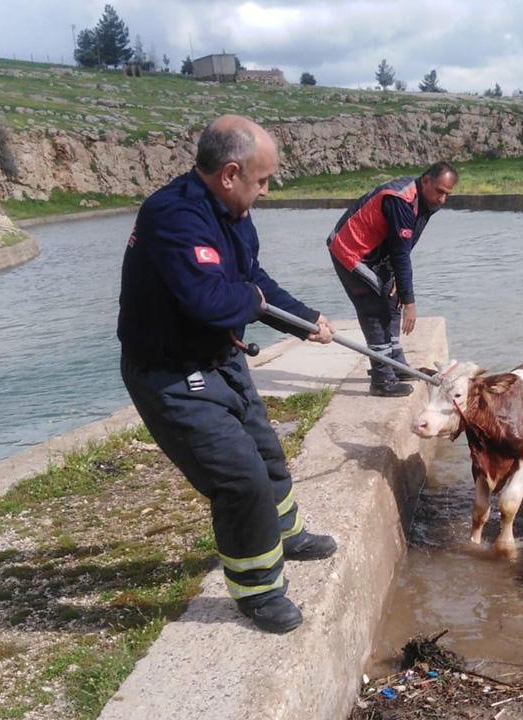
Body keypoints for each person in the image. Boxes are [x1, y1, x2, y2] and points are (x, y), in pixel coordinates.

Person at [118, 115, 338, 634]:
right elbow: (211, 301)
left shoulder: (233, 215)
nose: (266, 190)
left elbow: (251, 280)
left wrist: (304, 320)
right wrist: (255, 301)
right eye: (262, 180)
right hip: (170, 374)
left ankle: (287, 533)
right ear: (231, 173)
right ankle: (258, 590)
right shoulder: (172, 216)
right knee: (241, 480)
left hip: (220, 360)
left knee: (266, 453)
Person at [327, 162, 458, 397]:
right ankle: (381, 379)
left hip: (376, 253)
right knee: (375, 308)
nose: (442, 199)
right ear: (426, 180)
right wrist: (411, 302)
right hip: (352, 251)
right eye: (439, 191)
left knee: (393, 298)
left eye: (447, 194)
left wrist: (399, 284)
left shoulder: (426, 202)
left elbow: (405, 245)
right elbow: (400, 252)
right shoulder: (400, 200)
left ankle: (396, 365)